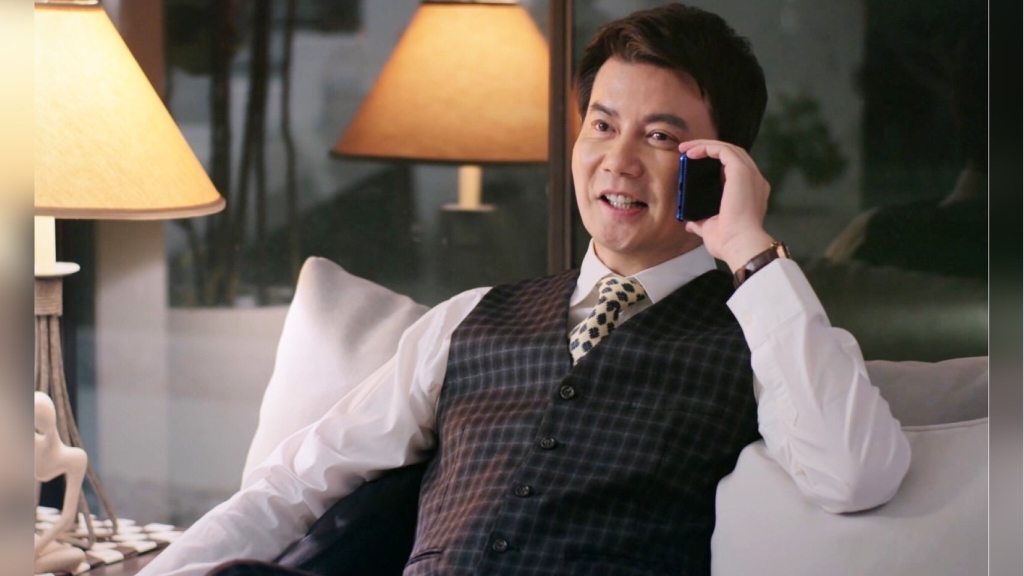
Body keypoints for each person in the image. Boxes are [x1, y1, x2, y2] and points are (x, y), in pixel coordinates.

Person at [141, 4, 910, 575]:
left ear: (719, 163)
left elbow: (855, 473)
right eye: (601, 126)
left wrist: (746, 246)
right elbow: (292, 488)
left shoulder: (763, 338)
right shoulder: (467, 320)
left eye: (660, 136)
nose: (617, 161)